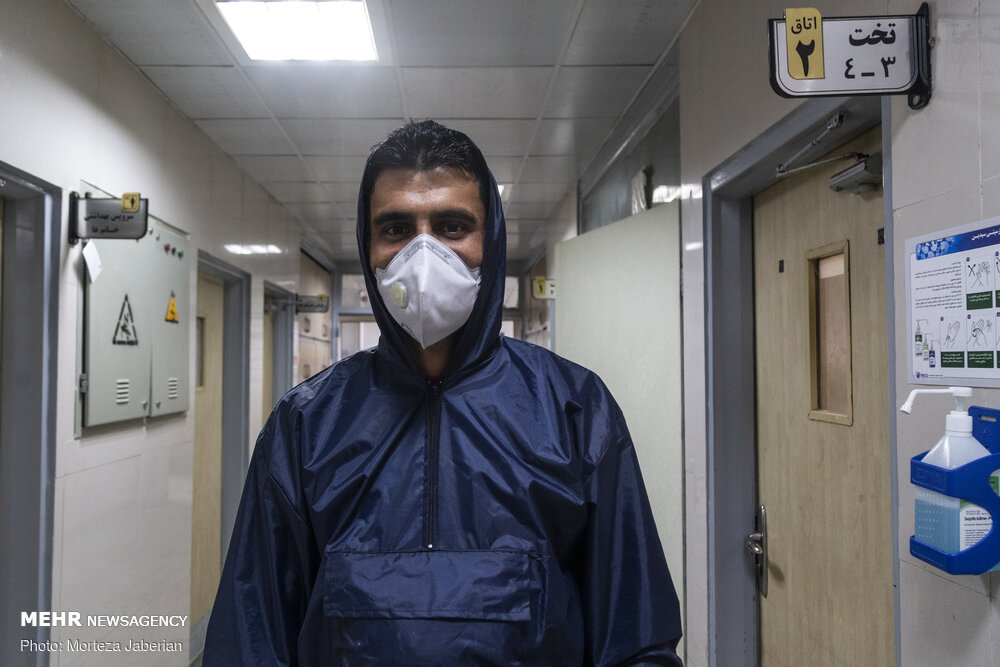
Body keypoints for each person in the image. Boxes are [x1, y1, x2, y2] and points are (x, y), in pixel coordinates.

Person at [203, 120, 683, 665]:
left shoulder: (574, 409)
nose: (423, 256)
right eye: (396, 229)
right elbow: (251, 637)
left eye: (452, 227)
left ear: (491, 242)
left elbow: (635, 638)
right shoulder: (305, 425)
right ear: (368, 248)